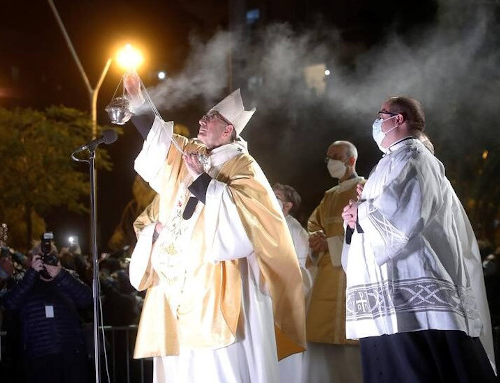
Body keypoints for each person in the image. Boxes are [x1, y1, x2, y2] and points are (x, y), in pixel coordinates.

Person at [123, 73, 306, 383]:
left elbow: (248, 223)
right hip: (179, 286)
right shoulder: (192, 155)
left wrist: (203, 182)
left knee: (218, 368)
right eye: (204, 116)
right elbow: (159, 138)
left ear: (229, 129)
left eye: (212, 118)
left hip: (221, 284)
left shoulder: (243, 166)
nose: (202, 121)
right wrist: (140, 99)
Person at [341, 96, 495, 382]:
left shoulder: (415, 157)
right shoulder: (389, 162)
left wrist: (360, 213)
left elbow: (402, 216)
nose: (376, 122)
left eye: (380, 115)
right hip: (386, 300)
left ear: (398, 119)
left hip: (413, 301)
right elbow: (375, 215)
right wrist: (354, 219)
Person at [303, 140, 365, 383]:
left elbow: (366, 230)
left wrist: (331, 244)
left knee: (351, 350)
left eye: (336, 156)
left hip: (352, 277)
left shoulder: (366, 188)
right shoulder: (328, 196)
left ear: (351, 161)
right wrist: (315, 240)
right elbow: (313, 227)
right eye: (328, 157)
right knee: (321, 346)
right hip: (326, 275)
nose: (331, 162)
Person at [1, 241, 92, 383]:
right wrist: (31, 274)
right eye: (41, 256)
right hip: (37, 357)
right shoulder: (24, 279)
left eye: (52, 256)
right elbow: (10, 304)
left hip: (70, 356)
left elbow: (87, 299)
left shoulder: (67, 276)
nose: (46, 260)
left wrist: (61, 274)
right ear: (33, 259)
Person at [272, 183, 312, 382]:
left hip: (287, 296)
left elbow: (305, 269)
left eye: (276, 195)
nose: (271, 196)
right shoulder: (269, 222)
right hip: (270, 293)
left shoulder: (296, 230)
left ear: (287, 206)